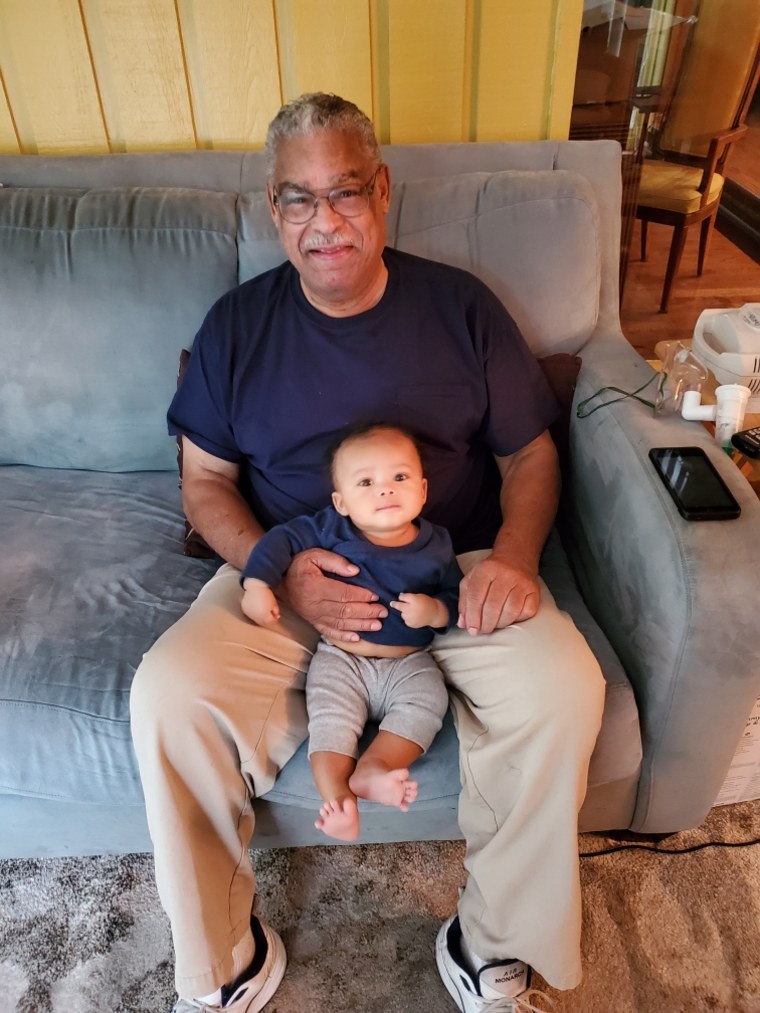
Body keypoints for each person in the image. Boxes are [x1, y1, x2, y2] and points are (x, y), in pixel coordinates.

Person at [130, 91, 605, 1013]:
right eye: (300, 199)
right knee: (167, 693)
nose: (325, 220)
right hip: (286, 579)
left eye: (345, 191)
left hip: (449, 571)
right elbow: (204, 484)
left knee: (565, 688)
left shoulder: (460, 308)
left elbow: (532, 452)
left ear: (383, 191)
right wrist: (282, 566)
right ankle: (225, 959)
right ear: (275, 209)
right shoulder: (237, 326)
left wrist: (511, 552)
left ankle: (489, 940)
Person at [241, 422, 461, 842]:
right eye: (366, 482)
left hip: (408, 663)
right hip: (342, 658)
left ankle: (375, 769)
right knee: (331, 722)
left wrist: (435, 610)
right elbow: (280, 541)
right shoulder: (331, 529)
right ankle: (339, 800)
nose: (385, 490)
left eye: (400, 477)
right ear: (341, 502)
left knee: (428, 703)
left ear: (423, 489)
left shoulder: (438, 544)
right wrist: (256, 583)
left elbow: (453, 595)